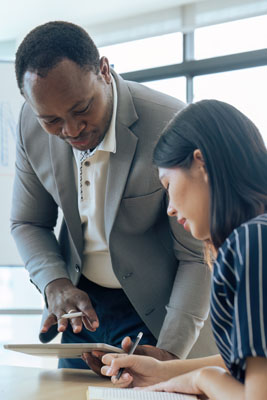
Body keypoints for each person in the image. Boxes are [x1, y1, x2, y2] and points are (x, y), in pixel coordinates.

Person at [11, 21, 217, 372]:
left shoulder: (173, 124)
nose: (72, 130)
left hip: (162, 317)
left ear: (104, 71)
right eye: (52, 120)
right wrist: (55, 283)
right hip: (82, 311)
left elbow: (197, 256)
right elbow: (28, 221)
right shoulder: (30, 126)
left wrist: (169, 356)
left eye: (82, 109)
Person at [101, 99, 267, 399]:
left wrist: (202, 379)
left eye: (167, 185)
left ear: (201, 162)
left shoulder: (251, 241)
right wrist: (162, 370)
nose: (171, 209)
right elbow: (253, 365)